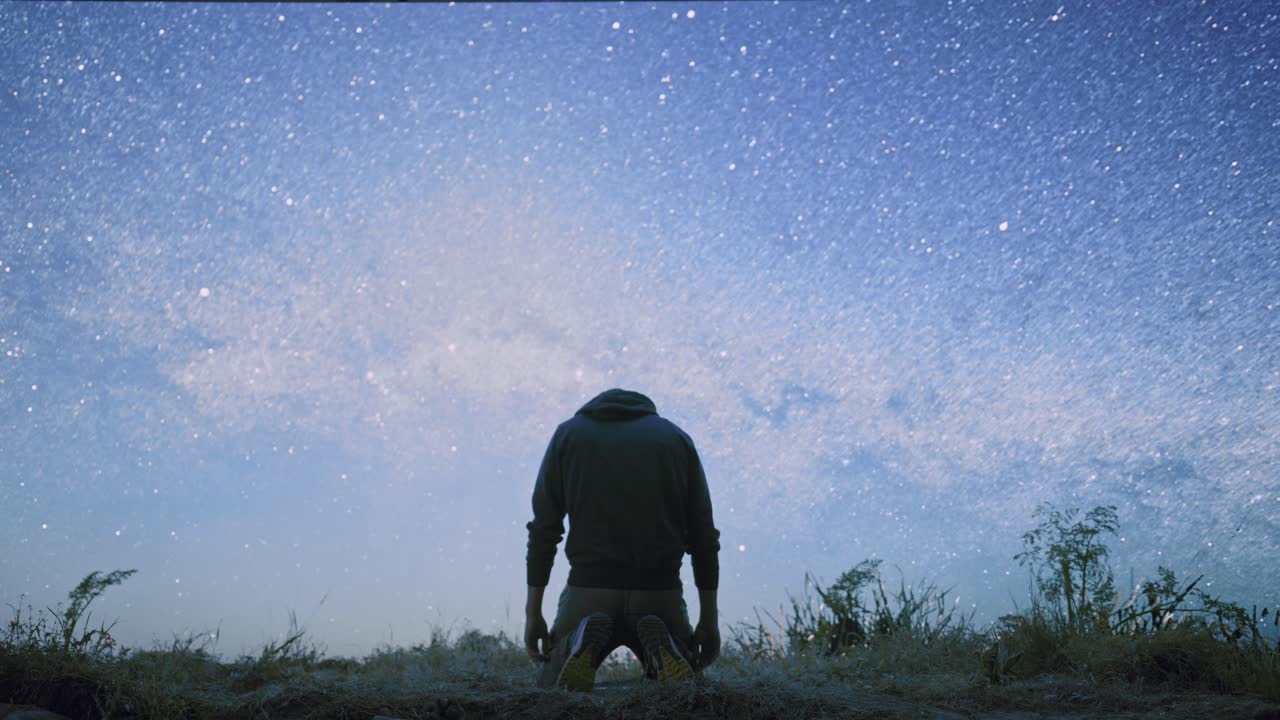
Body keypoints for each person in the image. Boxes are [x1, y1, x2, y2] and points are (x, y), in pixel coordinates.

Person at [524, 388, 721, 691]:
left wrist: (532, 613)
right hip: (659, 593)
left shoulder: (568, 435)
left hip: (588, 592)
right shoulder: (675, 438)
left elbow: (543, 529)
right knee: (686, 694)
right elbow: (703, 536)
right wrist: (709, 620)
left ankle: (577, 640)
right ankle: (668, 646)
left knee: (552, 691)